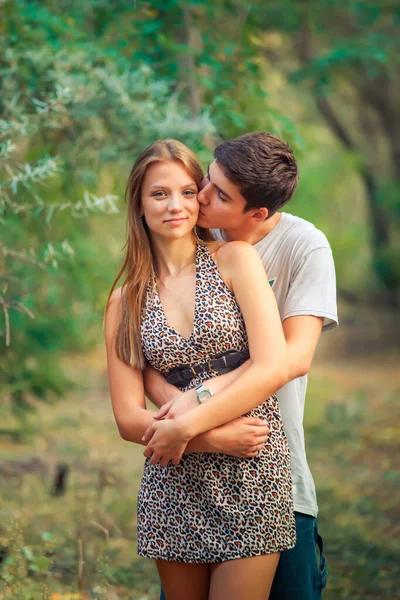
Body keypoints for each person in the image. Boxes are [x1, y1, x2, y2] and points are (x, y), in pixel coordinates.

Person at [146, 133, 338, 600]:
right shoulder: (190, 234)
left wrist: (200, 398)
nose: (200, 197)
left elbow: (291, 359)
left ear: (257, 214)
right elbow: (153, 350)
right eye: (206, 182)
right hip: (187, 467)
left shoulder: (303, 246)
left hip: (268, 462)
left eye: (219, 195)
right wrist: (188, 426)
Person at [104, 139, 296, 600]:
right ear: (139, 203)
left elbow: (271, 366)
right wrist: (207, 438)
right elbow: (129, 418)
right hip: (172, 481)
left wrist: (187, 423)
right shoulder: (123, 302)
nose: (175, 205)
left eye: (188, 192)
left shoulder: (235, 261)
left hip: (252, 471)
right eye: (159, 194)